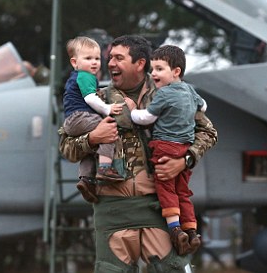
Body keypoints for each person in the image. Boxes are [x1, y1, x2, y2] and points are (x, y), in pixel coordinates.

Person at [59, 35, 218, 273]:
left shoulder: (174, 94)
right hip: (113, 212)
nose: (110, 63)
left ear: (140, 63)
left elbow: (209, 132)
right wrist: (93, 138)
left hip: (159, 209)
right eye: (110, 57)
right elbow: (66, 146)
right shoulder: (97, 101)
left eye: (118, 58)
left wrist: (184, 160)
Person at [123, 45, 207, 255]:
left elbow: (146, 118)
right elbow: (203, 106)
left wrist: (132, 110)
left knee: (166, 188)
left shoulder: (164, 94)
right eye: (153, 69)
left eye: (159, 69)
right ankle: (192, 231)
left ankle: (175, 228)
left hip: (164, 147)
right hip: (185, 148)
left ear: (176, 71)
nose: (154, 74)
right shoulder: (190, 91)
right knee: (183, 192)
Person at [62, 36, 124, 203]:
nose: (94, 62)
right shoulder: (85, 76)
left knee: (90, 149)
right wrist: (107, 109)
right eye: (88, 58)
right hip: (81, 117)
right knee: (109, 129)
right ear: (74, 62)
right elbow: (90, 98)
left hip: (72, 120)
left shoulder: (76, 77)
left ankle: (86, 179)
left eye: (97, 58)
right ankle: (105, 168)